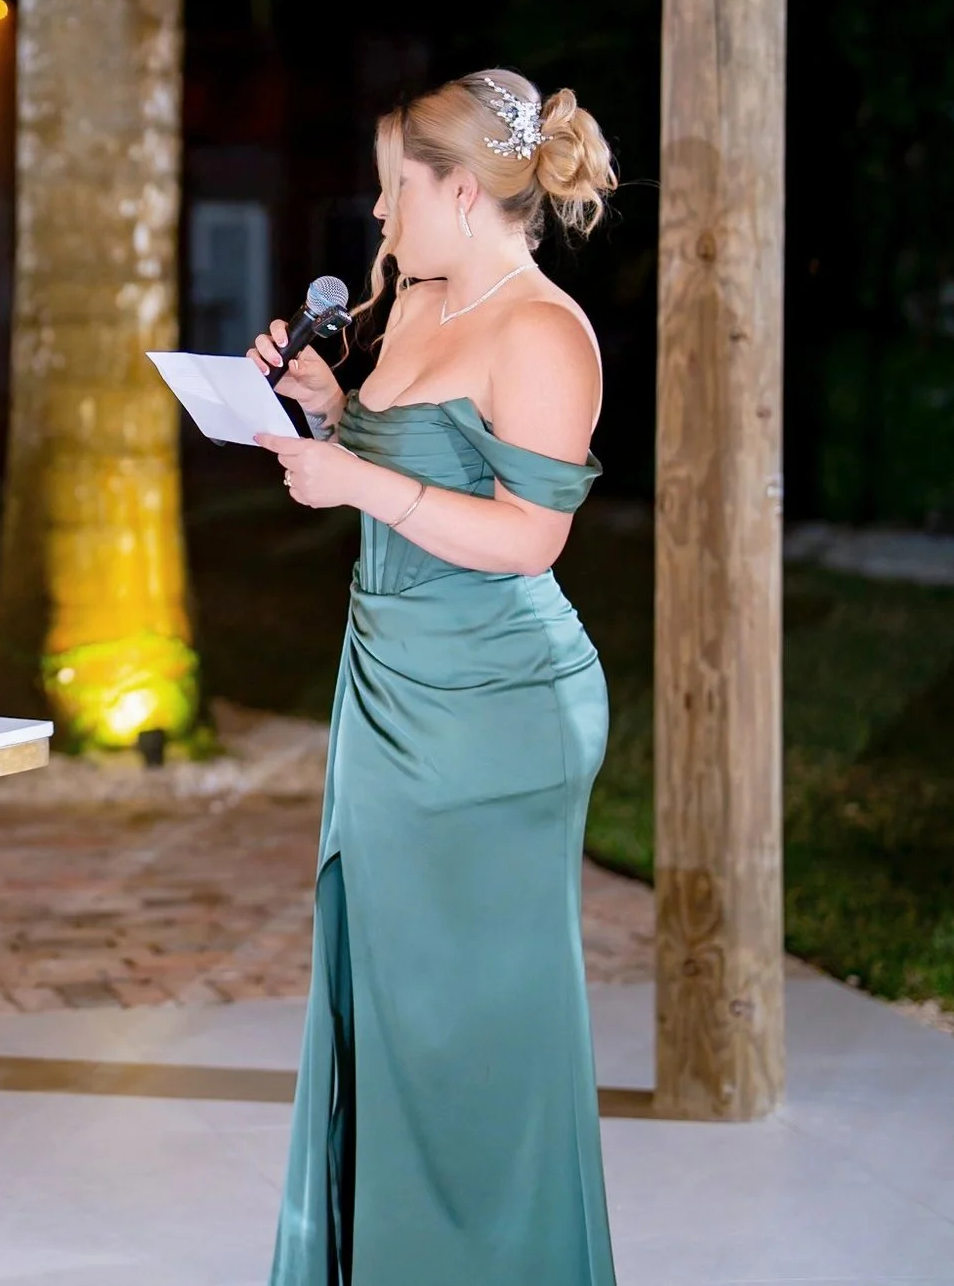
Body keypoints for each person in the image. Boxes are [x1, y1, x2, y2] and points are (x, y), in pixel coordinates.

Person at [248, 70, 620, 1285]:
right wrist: (325, 407)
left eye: (391, 189)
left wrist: (358, 480)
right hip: (388, 690)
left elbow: (527, 536)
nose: (375, 215)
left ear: (460, 189)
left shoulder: (544, 330)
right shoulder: (410, 300)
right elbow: (395, 460)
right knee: (392, 1015)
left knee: (474, 1037)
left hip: (497, 710)